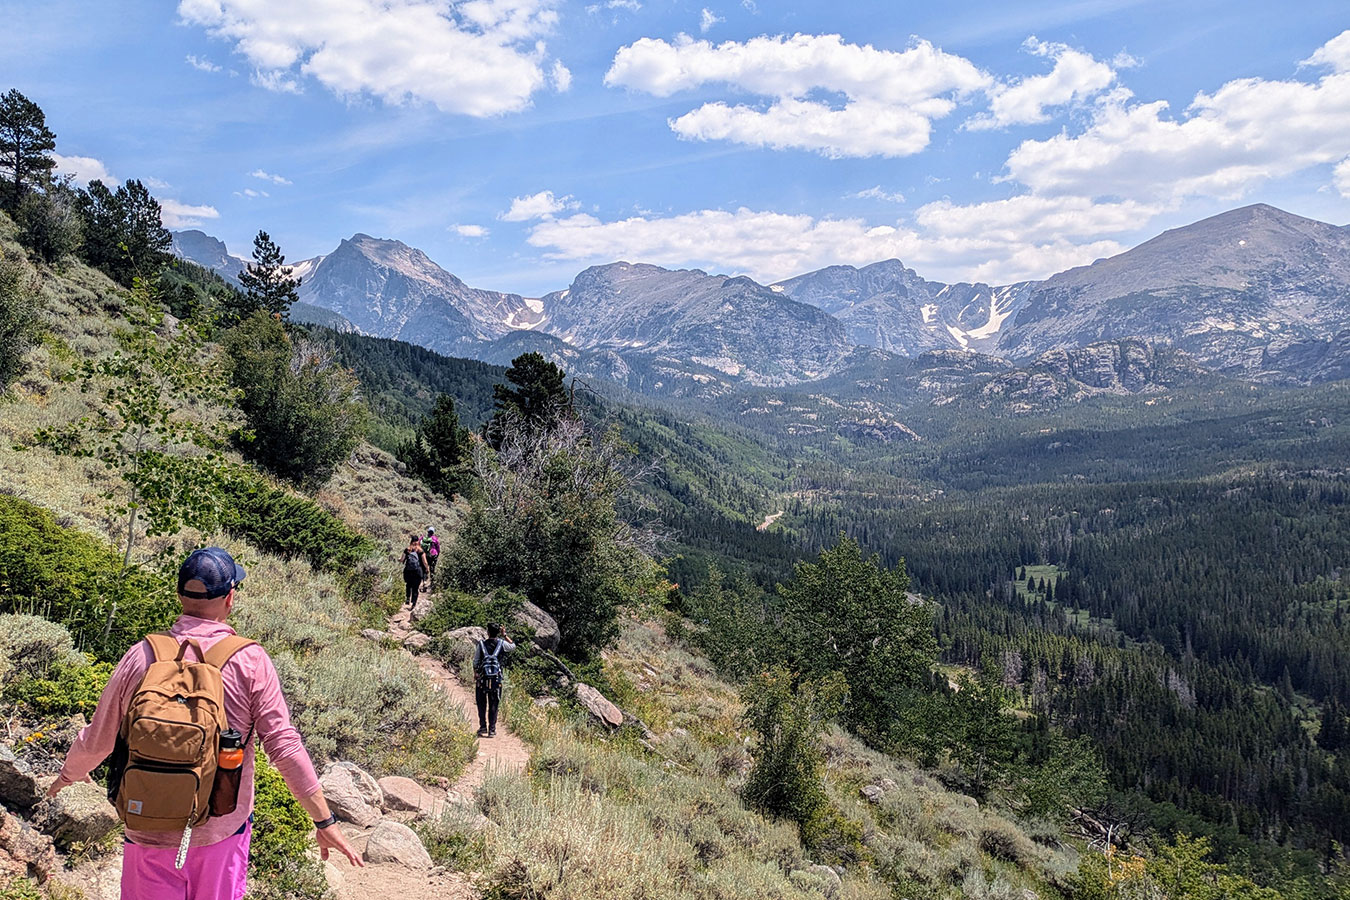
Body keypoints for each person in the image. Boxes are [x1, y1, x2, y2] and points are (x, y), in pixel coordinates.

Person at [46, 547, 362, 900]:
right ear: (229, 597)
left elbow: (98, 740)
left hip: (146, 827)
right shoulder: (250, 660)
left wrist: (67, 776)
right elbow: (284, 747)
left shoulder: (142, 654)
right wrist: (323, 821)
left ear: (180, 595)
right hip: (219, 831)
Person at [473, 623, 515, 738]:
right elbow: (513, 646)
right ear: (498, 633)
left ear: (488, 632)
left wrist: (475, 673)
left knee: (481, 703)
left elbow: (476, 661)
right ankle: (492, 730)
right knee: (494, 703)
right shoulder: (502, 644)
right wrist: (505, 635)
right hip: (496, 679)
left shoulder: (481, 644)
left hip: (482, 678)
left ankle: (482, 727)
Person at [401, 534, 429, 607]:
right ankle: (413, 603)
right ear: (418, 541)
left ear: (411, 541)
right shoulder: (420, 551)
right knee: (415, 588)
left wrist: (399, 560)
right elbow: (425, 562)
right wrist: (427, 569)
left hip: (408, 570)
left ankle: (407, 597)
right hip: (418, 571)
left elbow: (402, 560)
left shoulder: (407, 550)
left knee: (408, 585)